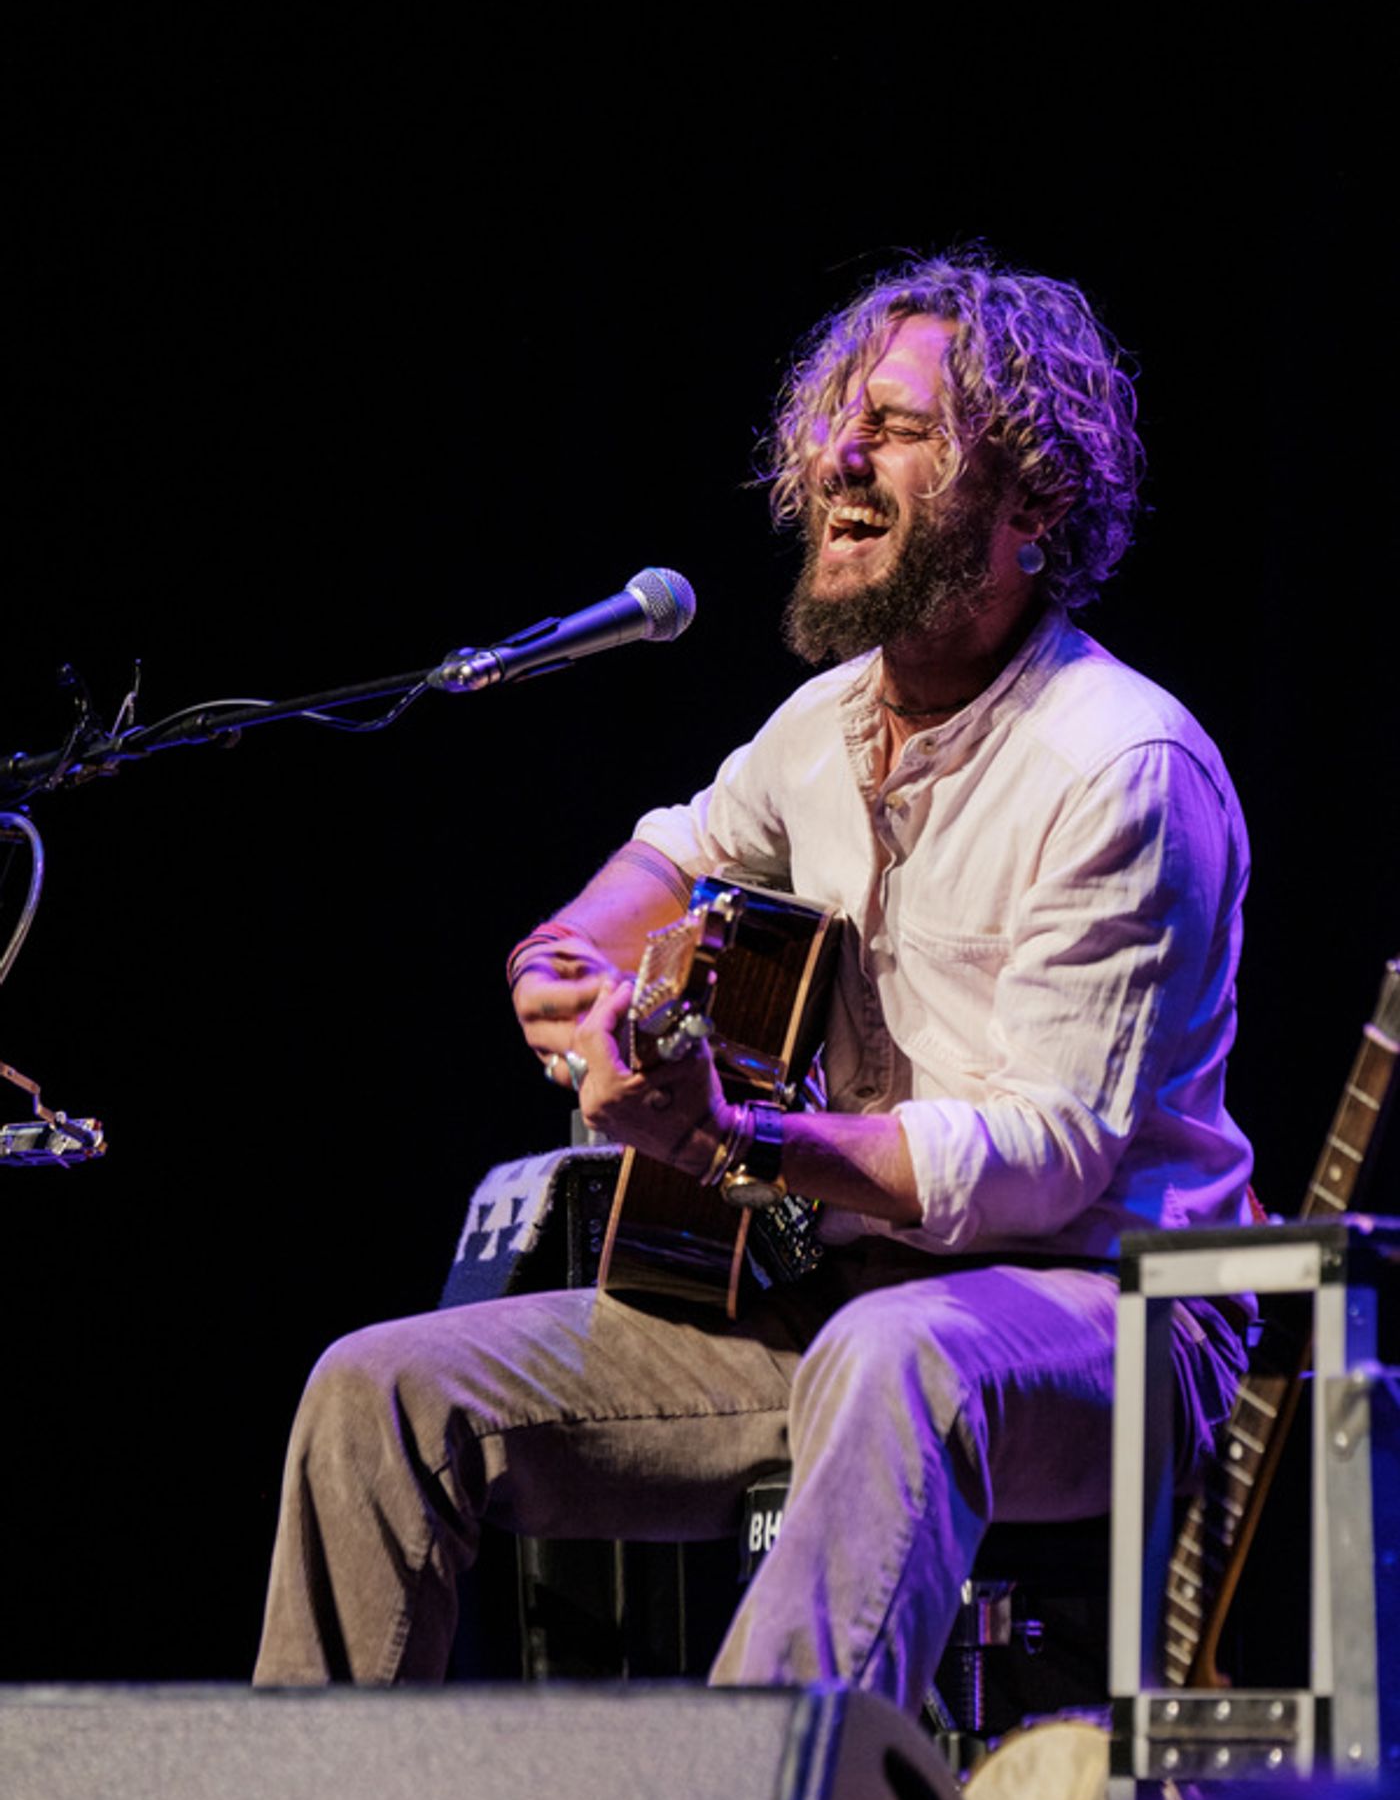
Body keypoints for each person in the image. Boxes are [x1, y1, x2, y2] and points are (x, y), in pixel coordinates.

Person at [254, 249, 1254, 1704]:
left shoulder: (1118, 763)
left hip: (1114, 1321)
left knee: (898, 1357)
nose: (840, 453)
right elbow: (676, 847)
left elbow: (1044, 1164)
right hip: (843, 1311)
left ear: (1031, 504)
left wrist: (743, 1138)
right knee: (378, 1398)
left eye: (902, 430)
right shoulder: (820, 726)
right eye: (838, 422)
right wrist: (565, 963)